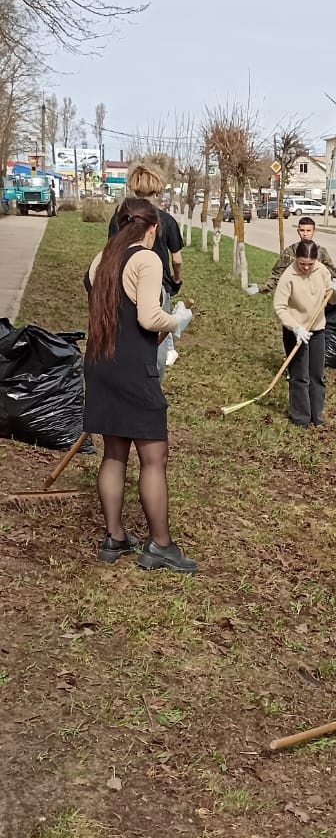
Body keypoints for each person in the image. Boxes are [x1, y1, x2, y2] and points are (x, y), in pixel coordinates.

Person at [84, 195, 197, 572]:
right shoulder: (145, 259)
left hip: (101, 366)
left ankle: (115, 537)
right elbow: (149, 318)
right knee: (153, 458)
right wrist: (177, 319)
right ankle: (161, 545)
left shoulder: (100, 261)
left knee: (114, 453)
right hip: (134, 371)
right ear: (151, 228)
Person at [109, 161, 184, 376]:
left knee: (125, 333)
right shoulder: (166, 221)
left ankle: (127, 376)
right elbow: (177, 259)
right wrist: (176, 280)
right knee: (156, 338)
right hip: (157, 286)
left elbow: (110, 251)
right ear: (158, 187)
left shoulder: (119, 219)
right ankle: (152, 382)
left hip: (122, 282)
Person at [273, 241, 336, 427]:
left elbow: (331, 299)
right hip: (295, 332)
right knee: (299, 375)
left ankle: (316, 416)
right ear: (296, 258)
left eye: (309, 264)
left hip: (317, 330)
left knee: (316, 375)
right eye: (302, 263)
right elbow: (279, 307)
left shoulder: (322, 271)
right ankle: (301, 418)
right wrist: (295, 327)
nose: (305, 267)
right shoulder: (289, 276)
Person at [252, 216, 336, 296]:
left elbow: (333, 275)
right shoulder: (289, 252)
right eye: (302, 230)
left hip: (316, 297)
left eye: (308, 231)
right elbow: (277, 276)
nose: (305, 234)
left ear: (314, 231)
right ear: (298, 231)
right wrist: (260, 288)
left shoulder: (321, 252)